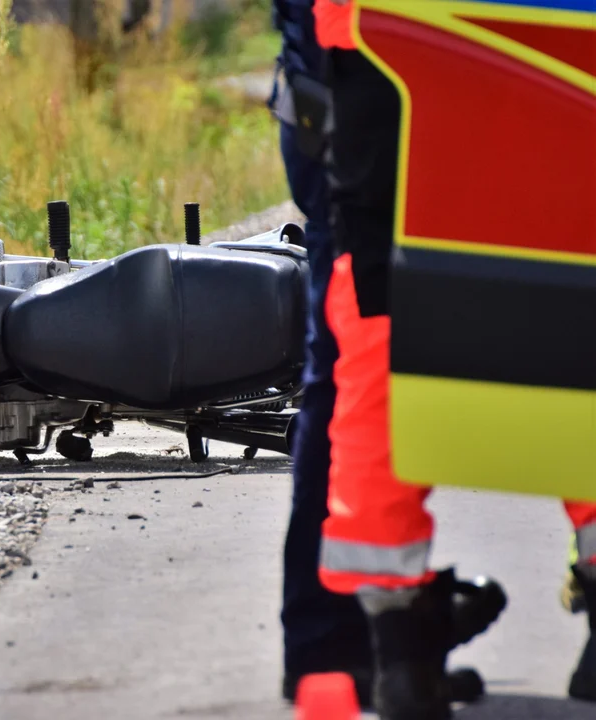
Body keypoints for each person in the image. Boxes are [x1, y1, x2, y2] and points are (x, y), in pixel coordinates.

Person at [312, 0, 596, 715]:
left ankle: (400, 655)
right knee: (580, 298)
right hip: (560, 46)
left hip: (390, 51)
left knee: (381, 323)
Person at [266, 0, 373, 705]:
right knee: (349, 363)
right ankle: (337, 645)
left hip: (353, 74)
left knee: (345, 367)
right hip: (353, 83)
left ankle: (344, 642)